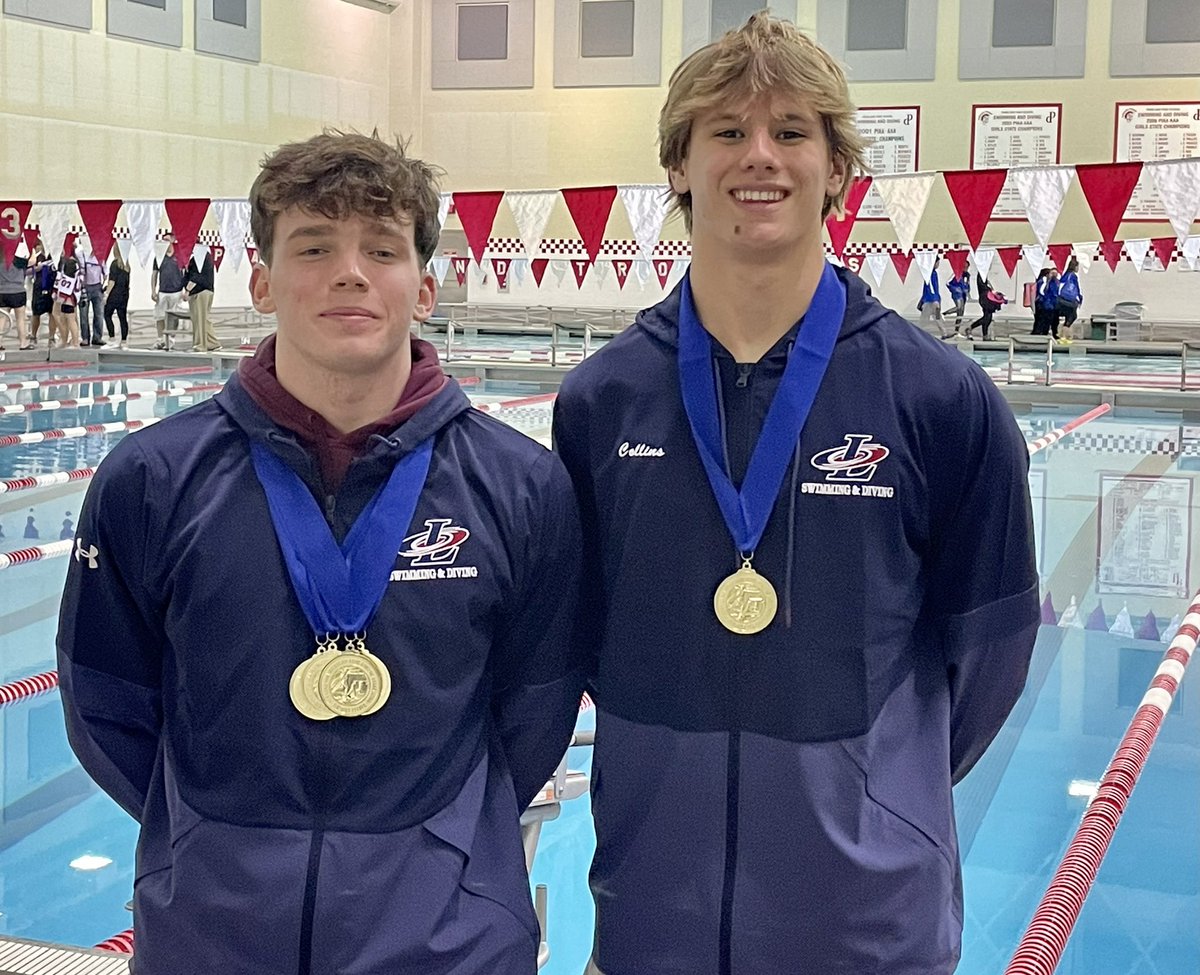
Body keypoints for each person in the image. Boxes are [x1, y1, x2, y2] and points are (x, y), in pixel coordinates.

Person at [552, 14, 1040, 975]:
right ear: (680, 167)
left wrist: (873, 791)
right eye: (726, 132)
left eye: (791, 132)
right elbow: (573, 641)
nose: (759, 157)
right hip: (654, 922)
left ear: (837, 169)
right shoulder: (603, 399)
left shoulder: (939, 398)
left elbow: (988, 654)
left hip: (868, 929)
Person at [58, 130, 585, 975]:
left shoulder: (522, 485)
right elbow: (107, 705)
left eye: (382, 248)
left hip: (447, 941)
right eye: (314, 246)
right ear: (262, 280)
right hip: (212, 934)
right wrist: (215, 837)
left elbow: (536, 709)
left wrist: (437, 840)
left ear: (424, 285)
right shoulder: (150, 480)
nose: (351, 271)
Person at [150, 235, 186, 349]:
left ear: (172, 241)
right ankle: (160, 339)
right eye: (163, 240)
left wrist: (186, 291)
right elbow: (154, 274)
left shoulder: (179, 256)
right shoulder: (158, 257)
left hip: (177, 291)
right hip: (163, 291)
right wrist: (153, 290)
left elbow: (185, 274)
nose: (164, 242)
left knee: (174, 316)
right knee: (160, 316)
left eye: (167, 240)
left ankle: (171, 338)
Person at [184, 246, 221, 351]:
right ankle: (212, 343)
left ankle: (201, 344)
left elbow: (196, 276)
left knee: (200, 319)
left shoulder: (201, 258)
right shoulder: (204, 257)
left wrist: (187, 290)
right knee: (203, 319)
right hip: (204, 291)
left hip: (201, 291)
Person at [0, 251, 31, 350]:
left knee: (2, 319)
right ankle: (23, 343)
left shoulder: (0, 259)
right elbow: (33, 261)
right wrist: (32, 249)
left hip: (2, 291)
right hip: (18, 291)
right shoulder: (18, 260)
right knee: (20, 319)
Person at [77, 245, 107, 346]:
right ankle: (85, 337)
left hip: (97, 287)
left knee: (99, 314)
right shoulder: (81, 254)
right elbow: (79, 271)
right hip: (84, 287)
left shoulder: (101, 256)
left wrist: (104, 285)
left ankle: (97, 337)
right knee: (83, 314)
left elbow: (105, 273)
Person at [52, 256, 83, 349]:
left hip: (69, 297)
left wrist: (60, 297)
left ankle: (75, 342)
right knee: (63, 319)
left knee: (70, 319)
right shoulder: (73, 265)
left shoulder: (70, 266)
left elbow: (67, 284)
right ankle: (65, 340)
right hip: (68, 296)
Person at [103, 244, 131, 348]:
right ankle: (124, 340)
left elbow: (112, 281)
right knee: (122, 317)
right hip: (124, 294)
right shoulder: (127, 265)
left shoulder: (114, 264)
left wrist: (106, 294)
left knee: (107, 314)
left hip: (114, 294)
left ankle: (112, 337)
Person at [29, 242, 56, 344]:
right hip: (39, 288)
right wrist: (35, 268)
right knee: (36, 313)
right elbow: (28, 271)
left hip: (52, 287)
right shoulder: (37, 257)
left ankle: (52, 337)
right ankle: (33, 336)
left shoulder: (55, 256)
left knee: (52, 313)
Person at [964, 272, 1003, 339]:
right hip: (985, 299)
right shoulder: (980, 276)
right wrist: (990, 290)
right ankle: (972, 328)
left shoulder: (984, 276)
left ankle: (984, 335)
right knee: (986, 318)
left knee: (988, 318)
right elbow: (982, 286)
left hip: (987, 298)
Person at [1057, 256, 1082, 337]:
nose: (1078, 268)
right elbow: (1076, 288)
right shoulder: (1073, 276)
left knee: (1070, 316)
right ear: (1075, 267)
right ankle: (1064, 335)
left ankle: (1063, 334)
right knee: (1072, 316)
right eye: (1077, 266)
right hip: (1069, 300)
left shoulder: (1066, 274)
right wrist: (1079, 298)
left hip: (1062, 299)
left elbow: (1060, 284)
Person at [1033, 266, 1060, 338]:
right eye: (1052, 273)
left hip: (1053, 304)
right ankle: (1040, 332)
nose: (1054, 275)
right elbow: (1041, 292)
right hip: (1045, 303)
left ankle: (1050, 332)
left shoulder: (1056, 282)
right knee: (1043, 319)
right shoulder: (1044, 281)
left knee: (1053, 320)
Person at [920, 265, 944, 335]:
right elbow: (932, 288)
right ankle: (944, 333)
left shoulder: (931, 273)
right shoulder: (932, 273)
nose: (938, 264)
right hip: (933, 300)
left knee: (926, 319)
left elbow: (931, 288)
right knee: (936, 317)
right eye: (937, 262)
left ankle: (919, 333)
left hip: (931, 300)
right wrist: (936, 299)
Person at [947, 266, 970, 333]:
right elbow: (947, 283)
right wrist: (955, 289)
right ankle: (943, 314)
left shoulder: (967, 275)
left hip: (963, 295)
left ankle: (956, 331)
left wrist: (967, 290)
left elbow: (967, 284)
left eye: (967, 267)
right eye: (964, 267)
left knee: (960, 314)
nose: (965, 268)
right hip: (957, 294)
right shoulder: (956, 273)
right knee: (959, 308)